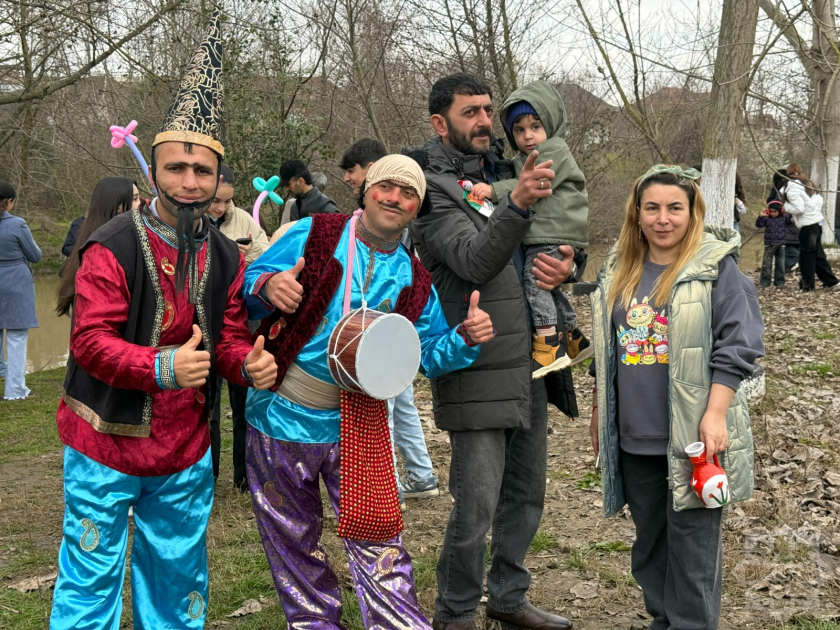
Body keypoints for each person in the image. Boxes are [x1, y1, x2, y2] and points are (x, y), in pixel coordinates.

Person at [49, 13, 278, 629]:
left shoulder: (226, 252)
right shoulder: (113, 244)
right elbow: (90, 341)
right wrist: (164, 366)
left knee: (178, 580)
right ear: (153, 171)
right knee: (90, 577)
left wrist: (246, 361)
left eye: (202, 171)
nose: (189, 182)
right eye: (176, 168)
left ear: (217, 178)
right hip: (105, 437)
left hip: (184, 446)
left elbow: (228, 336)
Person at [242, 154, 495, 628]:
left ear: (417, 207)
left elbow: (426, 353)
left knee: (379, 538)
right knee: (291, 538)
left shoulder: (414, 277)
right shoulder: (314, 234)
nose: (395, 198)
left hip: (360, 422)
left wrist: (464, 338)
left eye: (408, 193)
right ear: (366, 191)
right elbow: (246, 288)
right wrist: (269, 284)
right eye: (386, 187)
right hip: (281, 413)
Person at [410, 73, 574, 630]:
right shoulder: (430, 188)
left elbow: (555, 230)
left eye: (487, 109)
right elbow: (474, 260)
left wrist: (566, 263)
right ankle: (455, 613)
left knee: (526, 495)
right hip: (475, 362)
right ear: (440, 123)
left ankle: (507, 596)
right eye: (470, 112)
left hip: (531, 359)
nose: (485, 121)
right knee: (476, 505)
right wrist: (519, 203)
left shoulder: (508, 170)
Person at [589, 164, 764, 630]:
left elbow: (740, 344)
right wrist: (599, 414)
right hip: (636, 436)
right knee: (650, 545)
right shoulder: (619, 269)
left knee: (692, 549)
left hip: (694, 437)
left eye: (674, 208)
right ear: (637, 213)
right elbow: (606, 352)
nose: (662, 219)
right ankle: (664, 621)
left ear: (692, 213)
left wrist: (716, 414)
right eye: (652, 208)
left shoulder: (715, 268)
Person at [340, 137, 440, 503]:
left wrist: (463, 338)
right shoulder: (331, 232)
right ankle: (418, 474)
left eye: (352, 171)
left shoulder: (401, 237)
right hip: (365, 342)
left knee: (390, 407)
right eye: (386, 187)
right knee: (401, 403)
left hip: (390, 335)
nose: (348, 178)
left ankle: (389, 482)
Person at [469, 80, 591, 377]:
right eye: (519, 130)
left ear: (550, 124)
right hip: (552, 233)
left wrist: (494, 190)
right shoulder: (522, 158)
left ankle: (547, 344)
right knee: (550, 288)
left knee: (534, 283)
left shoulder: (554, 150)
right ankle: (573, 336)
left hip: (555, 232)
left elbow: (535, 181)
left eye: (535, 126)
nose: (528, 136)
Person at [206, 163, 270, 489]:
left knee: (244, 403)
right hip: (204, 323)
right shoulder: (187, 221)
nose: (221, 208)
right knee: (207, 406)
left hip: (241, 321)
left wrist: (246, 254)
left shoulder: (243, 219)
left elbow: (270, 256)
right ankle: (209, 474)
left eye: (227, 201)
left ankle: (244, 476)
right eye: (216, 200)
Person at [56, 177, 139, 316]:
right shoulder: (100, 252)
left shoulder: (133, 236)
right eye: (135, 199)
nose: (141, 204)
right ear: (118, 206)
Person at [0, 181, 41, 400]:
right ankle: (15, 390)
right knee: (16, 338)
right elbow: (35, 255)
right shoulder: (17, 224)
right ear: (9, 202)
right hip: (16, 283)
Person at [780, 162, 839, 291]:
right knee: (817, 256)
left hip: (807, 226)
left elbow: (799, 208)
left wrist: (784, 206)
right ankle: (831, 282)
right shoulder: (808, 183)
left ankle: (808, 286)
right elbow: (819, 201)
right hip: (816, 224)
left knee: (806, 258)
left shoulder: (792, 186)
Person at [61, 182, 141, 257]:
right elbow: (67, 248)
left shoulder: (131, 227)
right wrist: (91, 254)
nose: (140, 203)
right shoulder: (80, 223)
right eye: (134, 199)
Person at [755, 200, 792, 288]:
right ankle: (765, 283)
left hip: (781, 245)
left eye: (775, 212)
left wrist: (788, 211)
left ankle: (779, 282)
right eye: (771, 211)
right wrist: (760, 216)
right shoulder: (766, 218)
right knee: (766, 264)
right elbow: (759, 225)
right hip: (769, 244)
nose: (772, 213)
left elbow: (791, 220)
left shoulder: (784, 217)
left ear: (780, 211)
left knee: (780, 265)